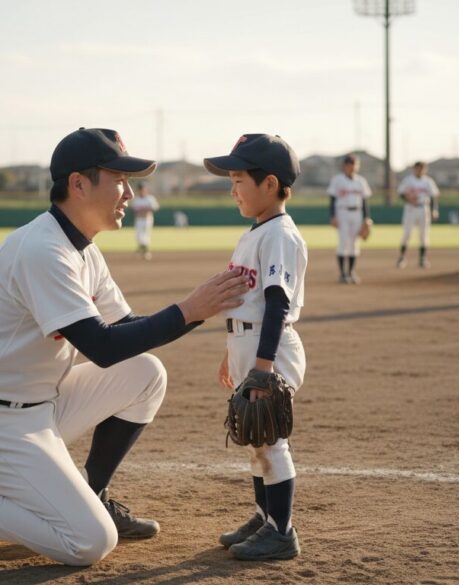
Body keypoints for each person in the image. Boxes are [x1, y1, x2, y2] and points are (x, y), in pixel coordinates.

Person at [0, 128, 249, 566]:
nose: (129, 193)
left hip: (39, 409)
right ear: (78, 184)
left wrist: (198, 311)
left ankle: (94, 491)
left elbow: (125, 329)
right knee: (89, 541)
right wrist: (188, 309)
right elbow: (101, 346)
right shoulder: (42, 249)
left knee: (145, 373)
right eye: (119, 180)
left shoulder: (83, 250)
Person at [203, 134, 307, 561]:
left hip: (271, 347)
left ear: (270, 184)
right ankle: (266, 517)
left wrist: (262, 369)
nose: (233, 189)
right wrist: (232, 353)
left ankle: (281, 532)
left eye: (239, 179)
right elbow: (248, 302)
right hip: (249, 343)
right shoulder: (258, 232)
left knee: (269, 437)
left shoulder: (279, 234)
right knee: (254, 435)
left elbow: (276, 304)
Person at [326, 153, 373, 284]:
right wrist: (333, 216)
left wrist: (367, 218)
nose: (352, 167)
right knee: (343, 242)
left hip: (357, 213)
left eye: (355, 164)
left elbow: (364, 201)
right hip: (342, 213)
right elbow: (332, 200)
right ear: (345, 166)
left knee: (354, 243)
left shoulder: (361, 181)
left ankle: (351, 272)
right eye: (350, 164)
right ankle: (342, 274)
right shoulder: (337, 180)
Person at [396, 161, 440, 268]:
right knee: (407, 234)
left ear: (425, 169)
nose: (420, 170)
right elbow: (401, 193)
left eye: (422, 168)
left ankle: (423, 259)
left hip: (424, 208)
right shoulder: (408, 180)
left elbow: (433, 196)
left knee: (424, 234)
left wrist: (434, 210)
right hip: (411, 208)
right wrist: (409, 199)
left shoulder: (428, 181)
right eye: (418, 168)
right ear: (414, 169)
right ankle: (402, 258)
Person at [131, 182, 160, 260]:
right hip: (139, 219)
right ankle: (142, 249)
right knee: (138, 236)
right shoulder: (137, 200)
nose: (141, 190)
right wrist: (143, 210)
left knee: (146, 235)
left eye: (142, 189)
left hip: (147, 219)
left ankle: (145, 251)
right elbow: (134, 210)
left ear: (145, 189)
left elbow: (155, 207)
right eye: (140, 189)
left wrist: (145, 209)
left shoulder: (150, 198)